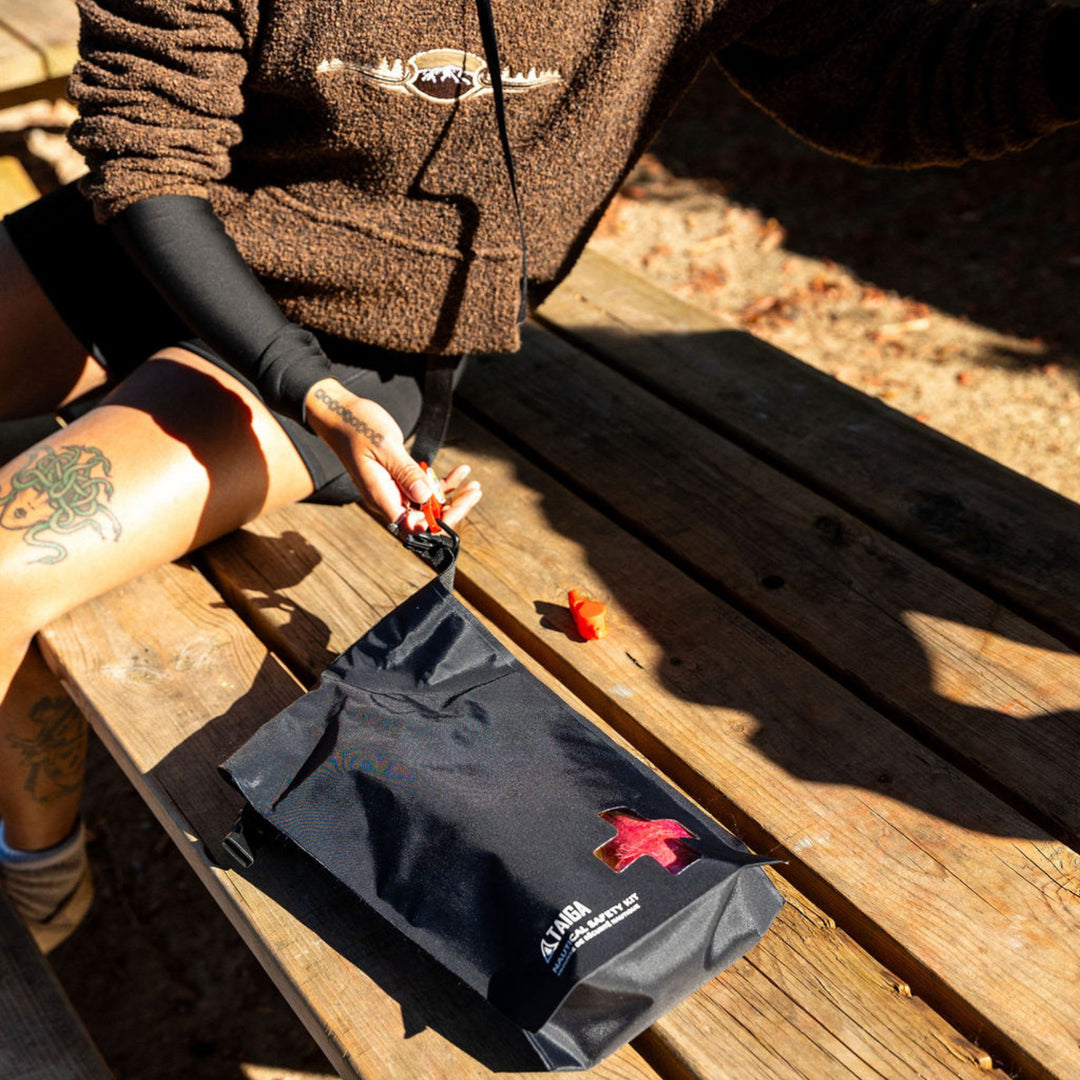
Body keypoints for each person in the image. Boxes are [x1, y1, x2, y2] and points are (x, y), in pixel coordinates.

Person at [1, 0, 1077, 952]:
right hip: (160, 239)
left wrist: (311, 390)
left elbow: (893, 78)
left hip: (349, 338)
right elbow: (148, 149)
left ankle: (37, 878)